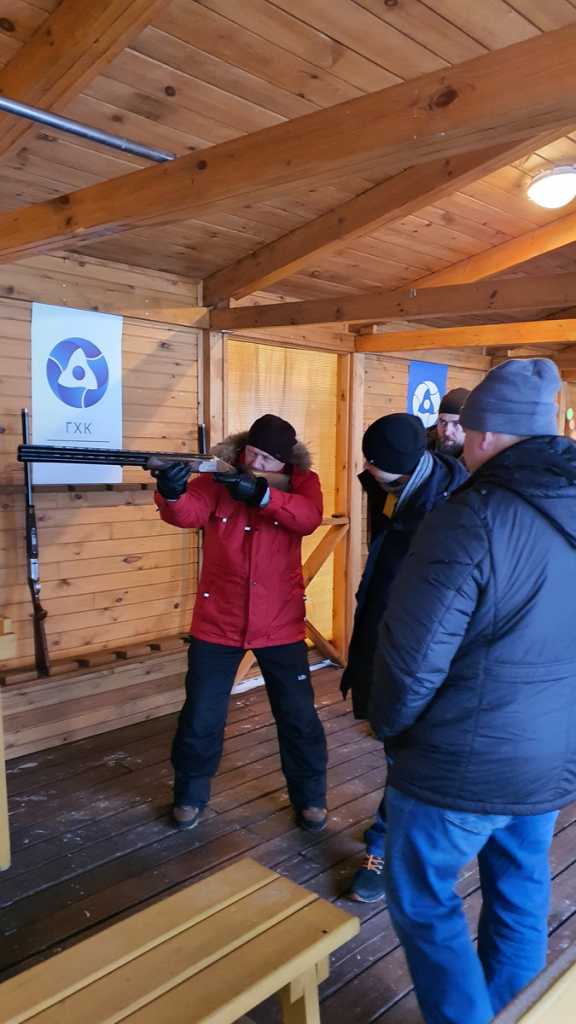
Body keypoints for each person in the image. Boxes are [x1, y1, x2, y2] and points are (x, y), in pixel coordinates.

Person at [369, 359, 576, 1023]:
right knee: (519, 895)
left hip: (460, 762)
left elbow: (412, 659)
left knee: (423, 898)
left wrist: (389, 728)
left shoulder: (468, 517)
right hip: (550, 755)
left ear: (483, 434)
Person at [152, 414, 328, 833]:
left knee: (298, 716)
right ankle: (189, 794)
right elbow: (187, 513)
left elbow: (308, 518)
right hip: (219, 620)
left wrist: (263, 496)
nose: (256, 462)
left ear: (285, 462)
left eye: (267, 459)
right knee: (201, 714)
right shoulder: (219, 478)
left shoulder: (304, 482)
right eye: (252, 453)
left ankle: (310, 797)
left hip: (281, 621)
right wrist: (171, 491)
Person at [340, 413, 467, 902]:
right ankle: (396, 832)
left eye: (373, 462)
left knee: (410, 756)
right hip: (392, 639)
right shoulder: (401, 490)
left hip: (427, 653)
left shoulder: (445, 507)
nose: (366, 468)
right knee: (401, 752)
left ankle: (385, 844)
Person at [427, 386, 470, 457]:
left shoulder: (481, 456)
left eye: (456, 424)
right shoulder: (419, 445)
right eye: (443, 422)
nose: (447, 432)